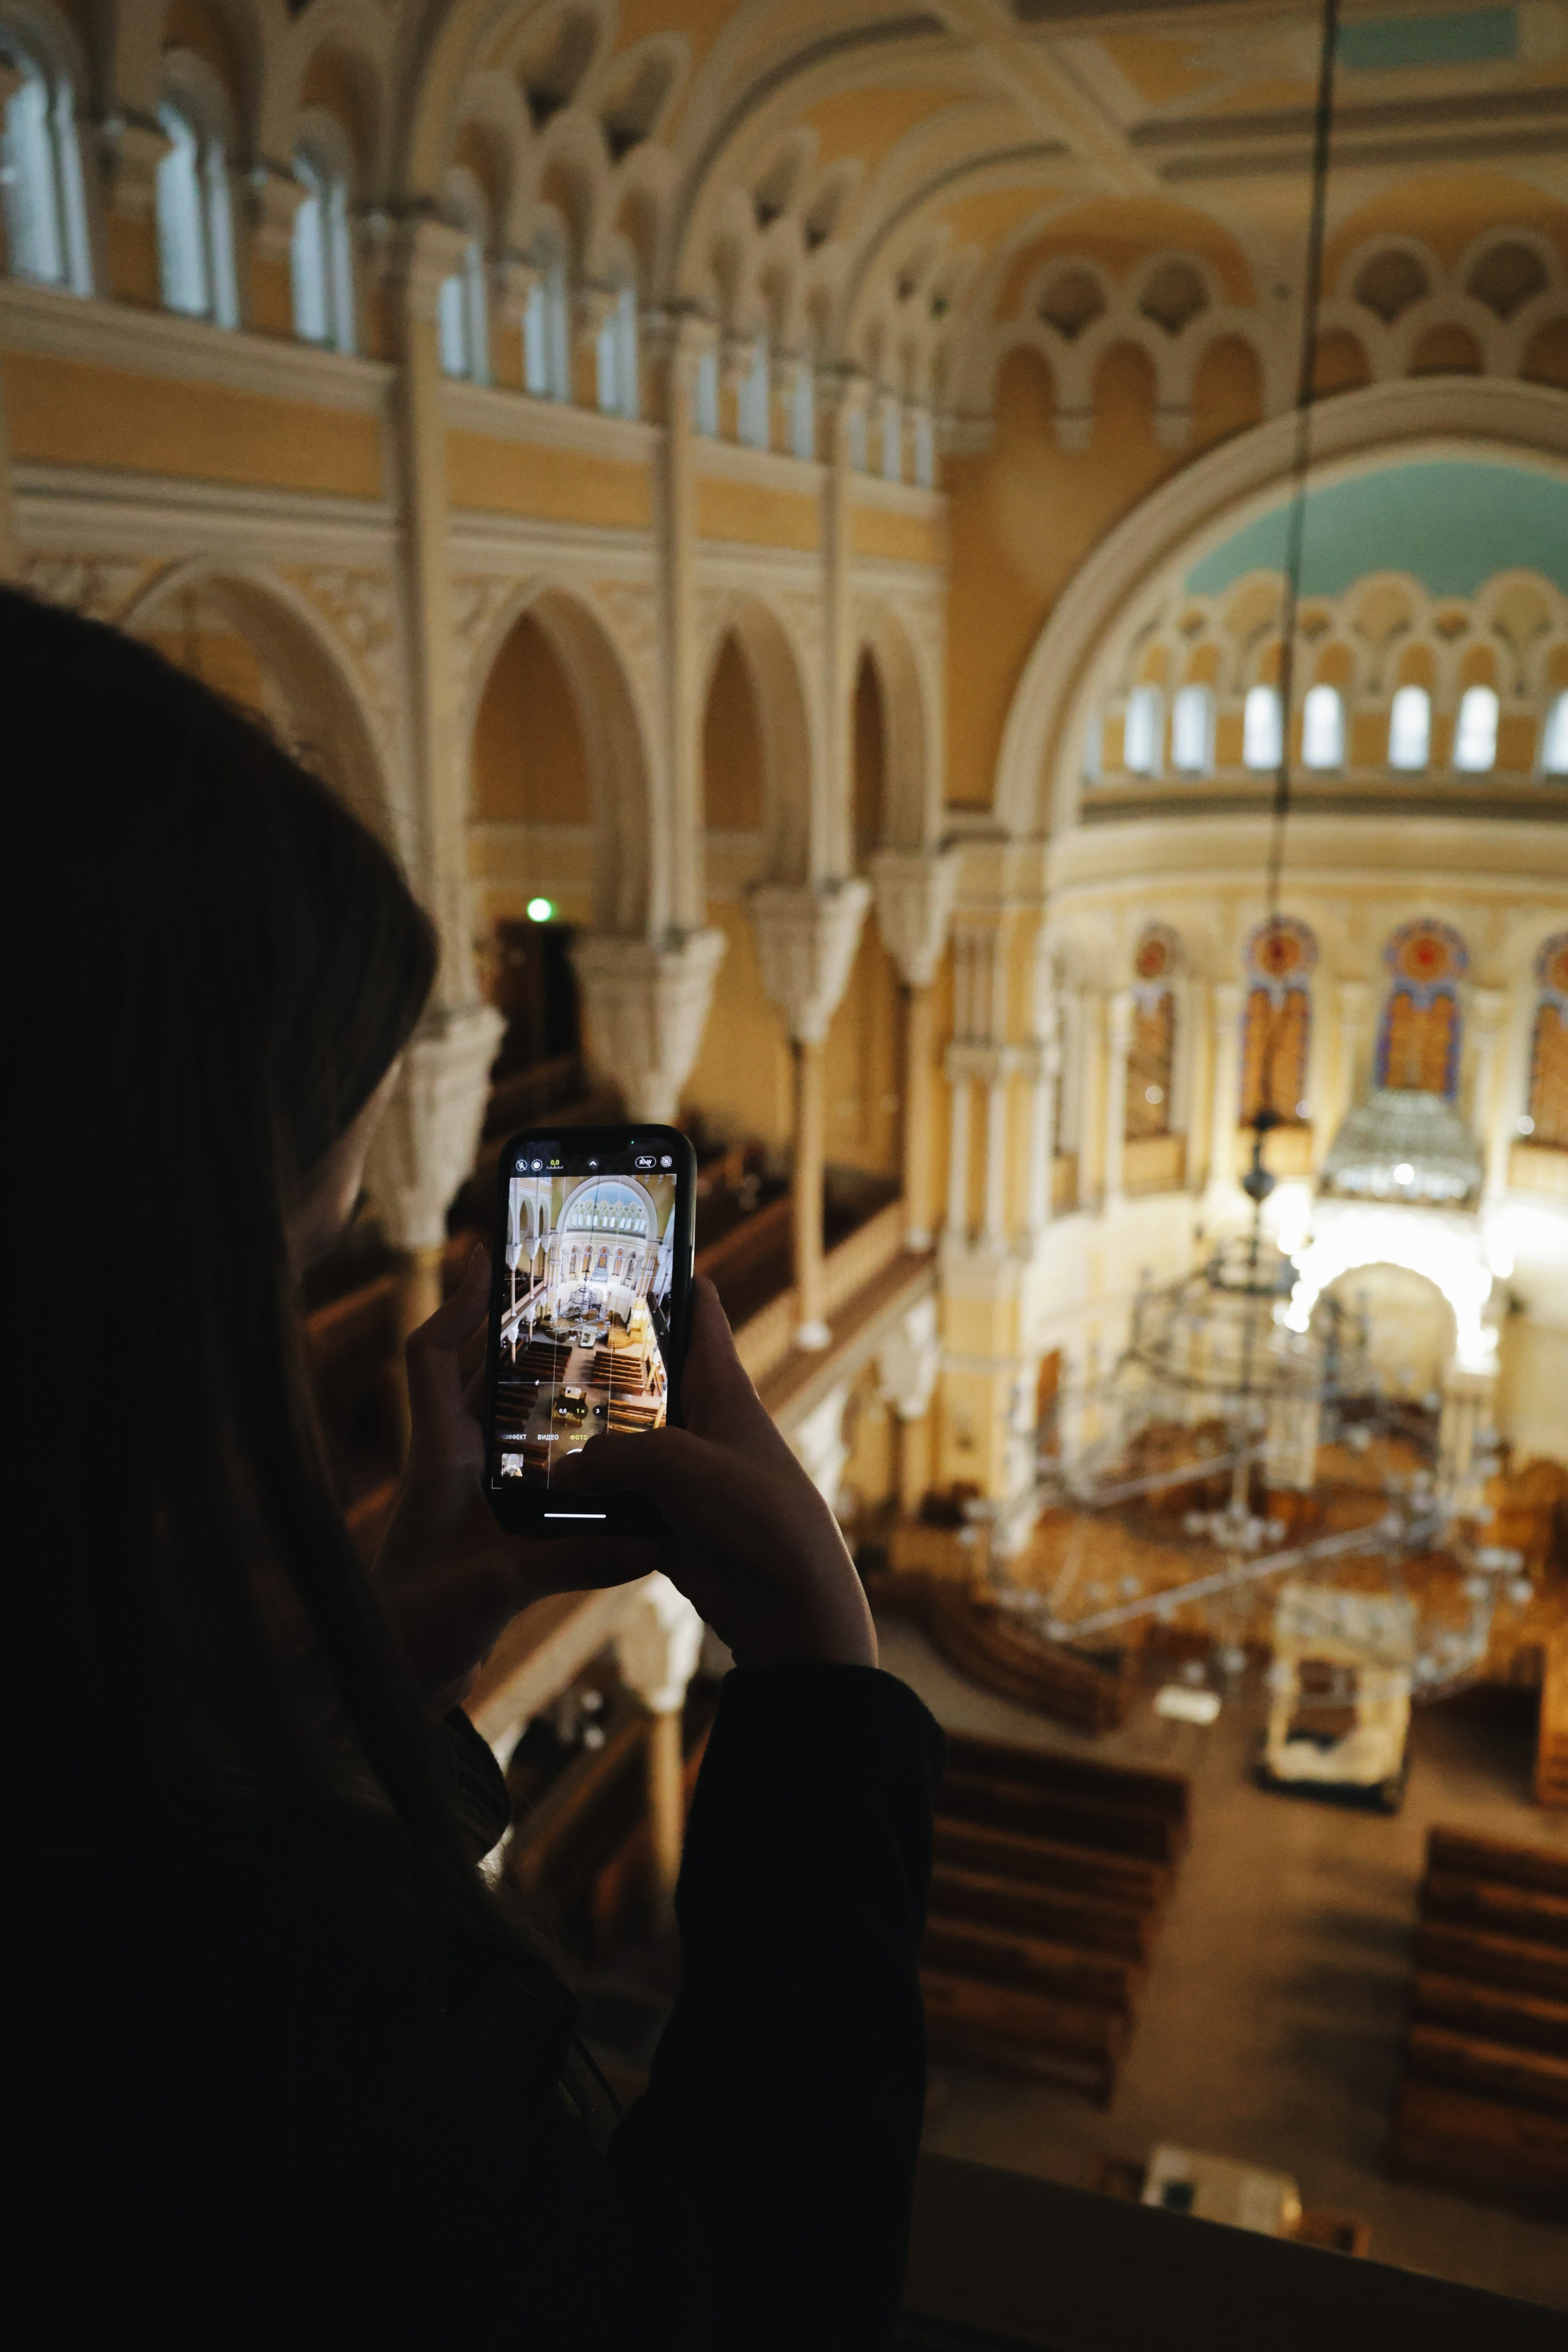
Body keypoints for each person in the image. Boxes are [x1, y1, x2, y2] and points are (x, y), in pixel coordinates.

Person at [3, 585, 944, 2348]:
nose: (303, 1335)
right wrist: (823, 1686)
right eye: (292, 1271)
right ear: (110, 1286)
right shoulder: (188, 1984)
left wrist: (385, 1663)